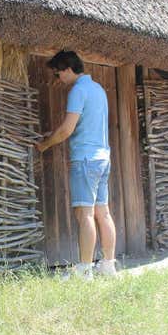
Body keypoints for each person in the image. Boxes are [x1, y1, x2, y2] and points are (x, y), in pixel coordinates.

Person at [35, 51, 118, 279]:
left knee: (85, 215)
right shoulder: (98, 89)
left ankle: (84, 270)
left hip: (85, 160)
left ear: (68, 69)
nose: (58, 78)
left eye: (58, 73)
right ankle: (108, 266)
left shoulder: (78, 91)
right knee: (103, 213)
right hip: (103, 158)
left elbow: (66, 130)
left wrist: (45, 145)